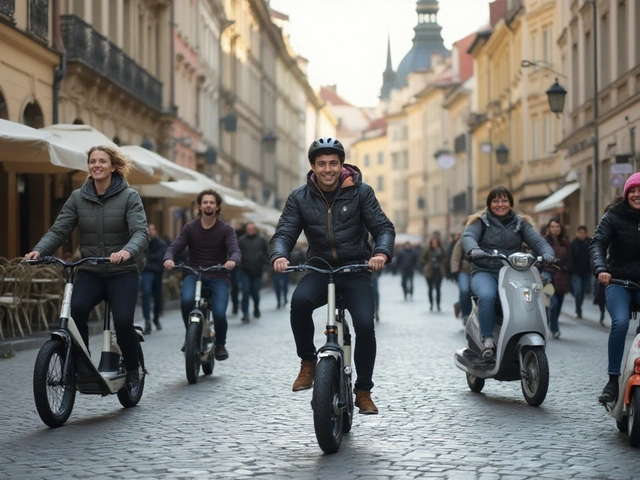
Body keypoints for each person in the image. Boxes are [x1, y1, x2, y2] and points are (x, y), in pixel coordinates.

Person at [270, 136, 395, 415]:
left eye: (334, 163)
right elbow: (285, 231)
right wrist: (279, 254)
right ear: (313, 166)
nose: (328, 169)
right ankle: (307, 361)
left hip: (355, 269)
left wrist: (381, 253)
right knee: (299, 303)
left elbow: (383, 227)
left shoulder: (361, 193)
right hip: (319, 268)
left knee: (364, 324)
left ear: (342, 165)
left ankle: (363, 390)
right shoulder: (299, 197)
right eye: (322, 164)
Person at [24, 145, 149, 390]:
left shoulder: (129, 197)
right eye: (92, 161)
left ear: (113, 166)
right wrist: (40, 250)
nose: (97, 165)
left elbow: (140, 233)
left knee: (123, 321)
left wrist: (126, 251)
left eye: (102, 161)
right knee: (76, 310)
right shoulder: (77, 197)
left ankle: (133, 369)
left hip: (122, 271)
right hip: (91, 269)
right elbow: (59, 230)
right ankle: (83, 365)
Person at [461, 185, 555, 363]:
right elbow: (468, 237)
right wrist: (474, 249)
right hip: (485, 271)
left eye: (504, 200)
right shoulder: (480, 222)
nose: (500, 204)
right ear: (489, 204)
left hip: (513, 273)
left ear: (510, 203)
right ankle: (488, 341)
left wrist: (548, 254)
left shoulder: (521, 223)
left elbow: (538, 241)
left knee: (530, 295)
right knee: (487, 295)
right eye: (495, 200)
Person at [163, 189, 240, 360]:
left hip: (218, 275)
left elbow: (234, 249)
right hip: (194, 272)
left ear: (217, 207)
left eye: (212, 202)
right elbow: (175, 246)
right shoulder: (190, 227)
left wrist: (233, 260)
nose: (208, 205)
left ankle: (220, 344)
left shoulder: (226, 229)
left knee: (219, 313)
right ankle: (190, 337)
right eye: (205, 202)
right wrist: (169, 258)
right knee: (186, 301)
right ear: (199, 206)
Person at [590, 172, 640, 403]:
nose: (637, 195)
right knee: (620, 323)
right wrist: (601, 269)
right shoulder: (613, 216)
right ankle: (612, 380)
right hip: (617, 280)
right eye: (633, 190)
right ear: (626, 193)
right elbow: (598, 243)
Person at [541, 218, 570, 339]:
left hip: (562, 274)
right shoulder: (543, 241)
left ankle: (553, 322)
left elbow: (570, 258)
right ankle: (554, 328)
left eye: (557, 226)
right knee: (553, 302)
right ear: (549, 228)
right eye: (552, 226)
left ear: (561, 228)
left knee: (559, 303)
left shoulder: (565, 242)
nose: (555, 229)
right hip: (548, 273)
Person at [237, 222, 269, 322]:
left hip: (257, 271)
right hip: (245, 271)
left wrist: (263, 262)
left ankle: (256, 308)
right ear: (246, 229)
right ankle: (245, 313)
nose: (250, 230)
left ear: (254, 229)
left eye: (252, 228)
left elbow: (267, 252)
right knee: (245, 292)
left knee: (255, 292)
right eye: (248, 228)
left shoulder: (261, 239)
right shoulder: (241, 240)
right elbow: (237, 253)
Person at [141, 222, 167, 334]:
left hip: (157, 273)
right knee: (146, 293)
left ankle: (156, 318)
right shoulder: (143, 243)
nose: (150, 232)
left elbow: (159, 257)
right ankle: (147, 320)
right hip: (146, 272)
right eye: (148, 229)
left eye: (152, 229)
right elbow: (141, 258)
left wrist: (148, 260)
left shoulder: (161, 243)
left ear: (155, 230)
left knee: (157, 297)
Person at [567, 225, 592, 319]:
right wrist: (570, 270)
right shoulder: (573, 243)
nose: (582, 234)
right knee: (578, 291)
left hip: (586, 271)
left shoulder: (589, 242)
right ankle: (578, 309)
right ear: (577, 233)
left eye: (583, 232)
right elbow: (570, 257)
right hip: (576, 272)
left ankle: (579, 307)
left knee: (583, 292)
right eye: (580, 232)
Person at [422, 236, 448, 312]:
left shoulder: (442, 250)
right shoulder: (428, 250)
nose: (434, 244)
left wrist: (442, 263)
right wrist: (427, 265)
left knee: (438, 289)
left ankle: (438, 304)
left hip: (439, 271)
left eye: (436, 242)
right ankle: (431, 304)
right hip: (429, 271)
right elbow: (423, 259)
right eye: (433, 242)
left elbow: (446, 258)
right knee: (430, 289)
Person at [450, 235, 472, 325]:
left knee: (473, 293)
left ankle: (472, 314)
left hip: (479, 270)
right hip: (464, 270)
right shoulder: (462, 240)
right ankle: (465, 314)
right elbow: (455, 256)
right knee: (464, 290)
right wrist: (454, 271)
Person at [229, 222, 245, 316]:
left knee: (243, 288)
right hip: (234, 266)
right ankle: (235, 305)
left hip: (243, 266)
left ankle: (242, 306)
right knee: (235, 287)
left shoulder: (243, 237)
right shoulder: (231, 235)